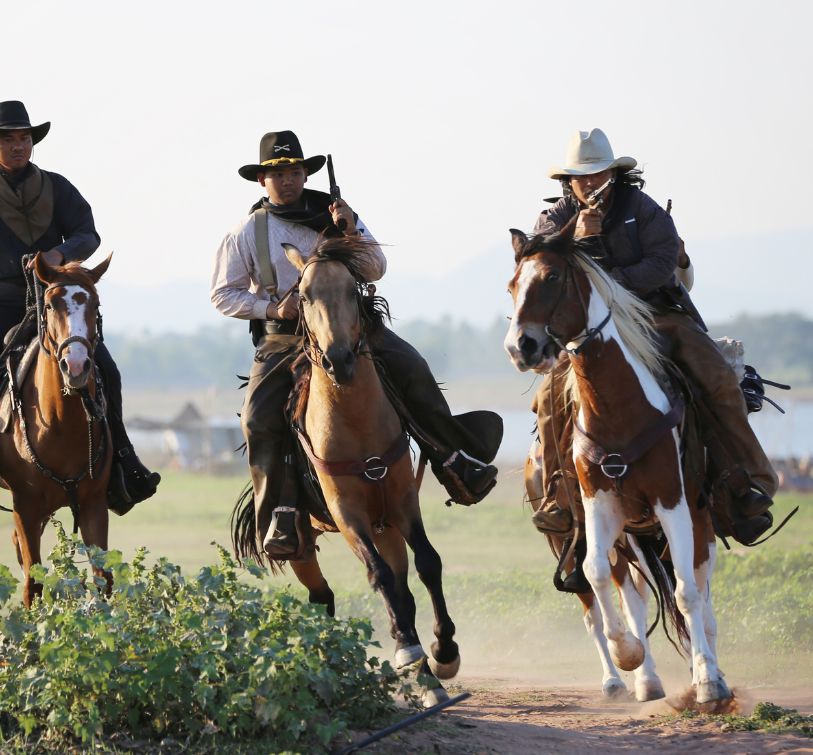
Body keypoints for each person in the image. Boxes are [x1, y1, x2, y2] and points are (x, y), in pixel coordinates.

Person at [210, 130, 502, 585]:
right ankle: (280, 513)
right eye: (277, 173)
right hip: (285, 339)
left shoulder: (336, 214)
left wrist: (351, 230)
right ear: (262, 180)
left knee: (412, 368)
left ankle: (453, 459)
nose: (287, 180)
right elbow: (222, 294)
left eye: (294, 171)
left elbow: (376, 270)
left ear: (305, 173)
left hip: (354, 327)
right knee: (256, 419)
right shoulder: (245, 233)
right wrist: (272, 307)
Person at [528, 128, 778, 557]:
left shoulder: (642, 209)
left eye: (597, 173)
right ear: (567, 181)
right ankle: (560, 495)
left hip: (654, 315)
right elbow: (539, 267)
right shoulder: (554, 221)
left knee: (716, 376)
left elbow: (663, 261)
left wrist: (614, 289)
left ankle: (746, 481)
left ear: (614, 172)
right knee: (550, 395)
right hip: (585, 329)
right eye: (580, 175)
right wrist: (578, 238)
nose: (589, 182)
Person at [0, 100, 160, 512]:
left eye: (24, 138)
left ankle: (123, 461)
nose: (18, 146)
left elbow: (88, 234)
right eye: (8, 139)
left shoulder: (58, 186)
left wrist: (59, 253)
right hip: (4, 304)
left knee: (107, 369)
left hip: (60, 306)